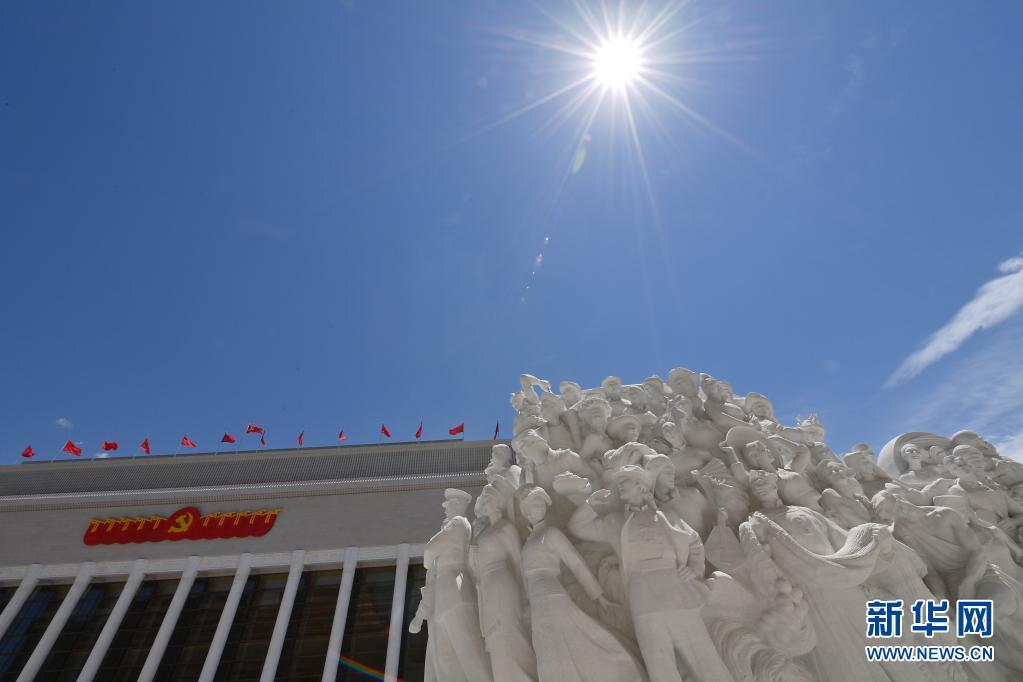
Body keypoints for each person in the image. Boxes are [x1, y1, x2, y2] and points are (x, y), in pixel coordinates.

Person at [520, 487, 648, 682]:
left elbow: (576, 563)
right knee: (547, 646)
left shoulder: (551, 534)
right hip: (536, 601)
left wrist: (598, 595)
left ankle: (623, 671)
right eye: (534, 504)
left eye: (541, 504)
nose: (539, 508)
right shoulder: (527, 544)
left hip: (551, 594)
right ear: (526, 511)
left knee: (577, 637)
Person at [410, 489, 493, 682]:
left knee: (468, 649)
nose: (445, 510)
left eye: (448, 506)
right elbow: (431, 577)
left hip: (456, 588)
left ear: (457, 505)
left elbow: (429, 550)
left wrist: (431, 557)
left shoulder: (458, 523)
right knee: (446, 656)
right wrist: (419, 616)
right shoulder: (455, 526)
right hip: (444, 592)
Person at [472, 485, 537, 682]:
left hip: (503, 583)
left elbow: (518, 561)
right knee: (495, 639)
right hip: (487, 588)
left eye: (487, 498)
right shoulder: (483, 534)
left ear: (497, 502)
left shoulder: (506, 527)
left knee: (510, 631)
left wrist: (526, 596)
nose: (484, 502)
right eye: (483, 499)